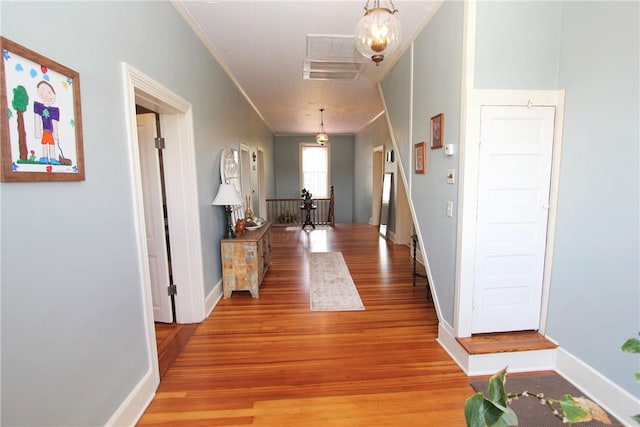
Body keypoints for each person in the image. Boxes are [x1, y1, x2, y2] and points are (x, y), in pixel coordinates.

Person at [33, 80, 60, 165]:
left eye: (49, 92)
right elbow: (37, 118)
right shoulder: (40, 108)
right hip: (45, 131)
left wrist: (55, 133)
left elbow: (54, 121)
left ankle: (52, 158)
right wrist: (37, 130)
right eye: (42, 93)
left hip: (50, 131)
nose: (46, 95)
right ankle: (45, 157)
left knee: (51, 144)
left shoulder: (53, 110)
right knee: (44, 143)